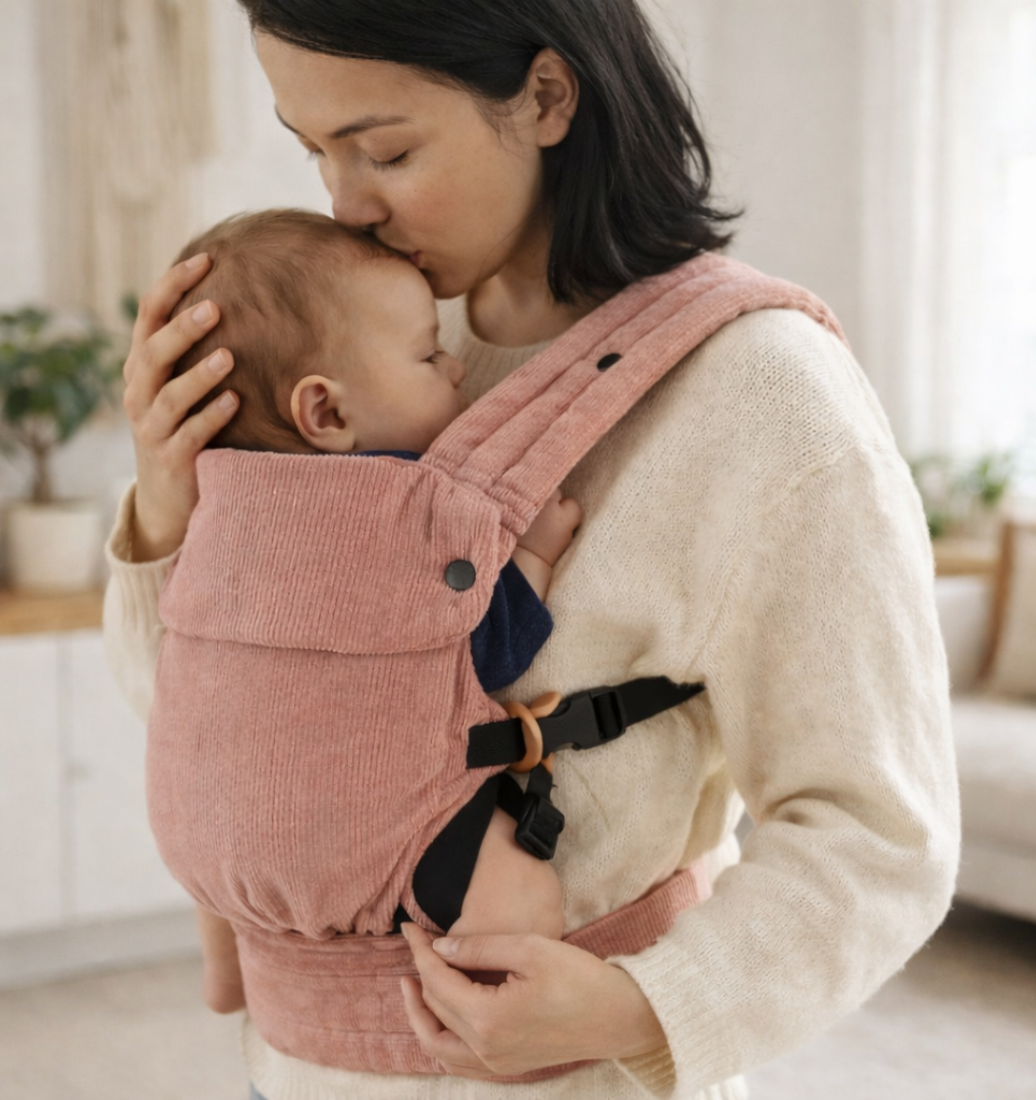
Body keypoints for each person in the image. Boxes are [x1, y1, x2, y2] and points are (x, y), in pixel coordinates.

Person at [104, 1, 961, 1097]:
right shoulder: (346, 348)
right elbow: (207, 716)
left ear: (547, 97)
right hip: (297, 1066)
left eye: (385, 149)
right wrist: (167, 510)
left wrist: (643, 1004)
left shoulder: (762, 397)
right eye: (311, 149)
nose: (343, 204)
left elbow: (879, 830)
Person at [156, 208, 581, 1016]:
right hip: (359, 840)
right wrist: (538, 553)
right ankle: (500, 1011)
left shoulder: (213, 499)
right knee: (517, 885)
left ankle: (225, 972)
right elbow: (481, 652)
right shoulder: (398, 508)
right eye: (427, 354)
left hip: (194, 831)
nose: (456, 370)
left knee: (225, 869)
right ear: (327, 413)